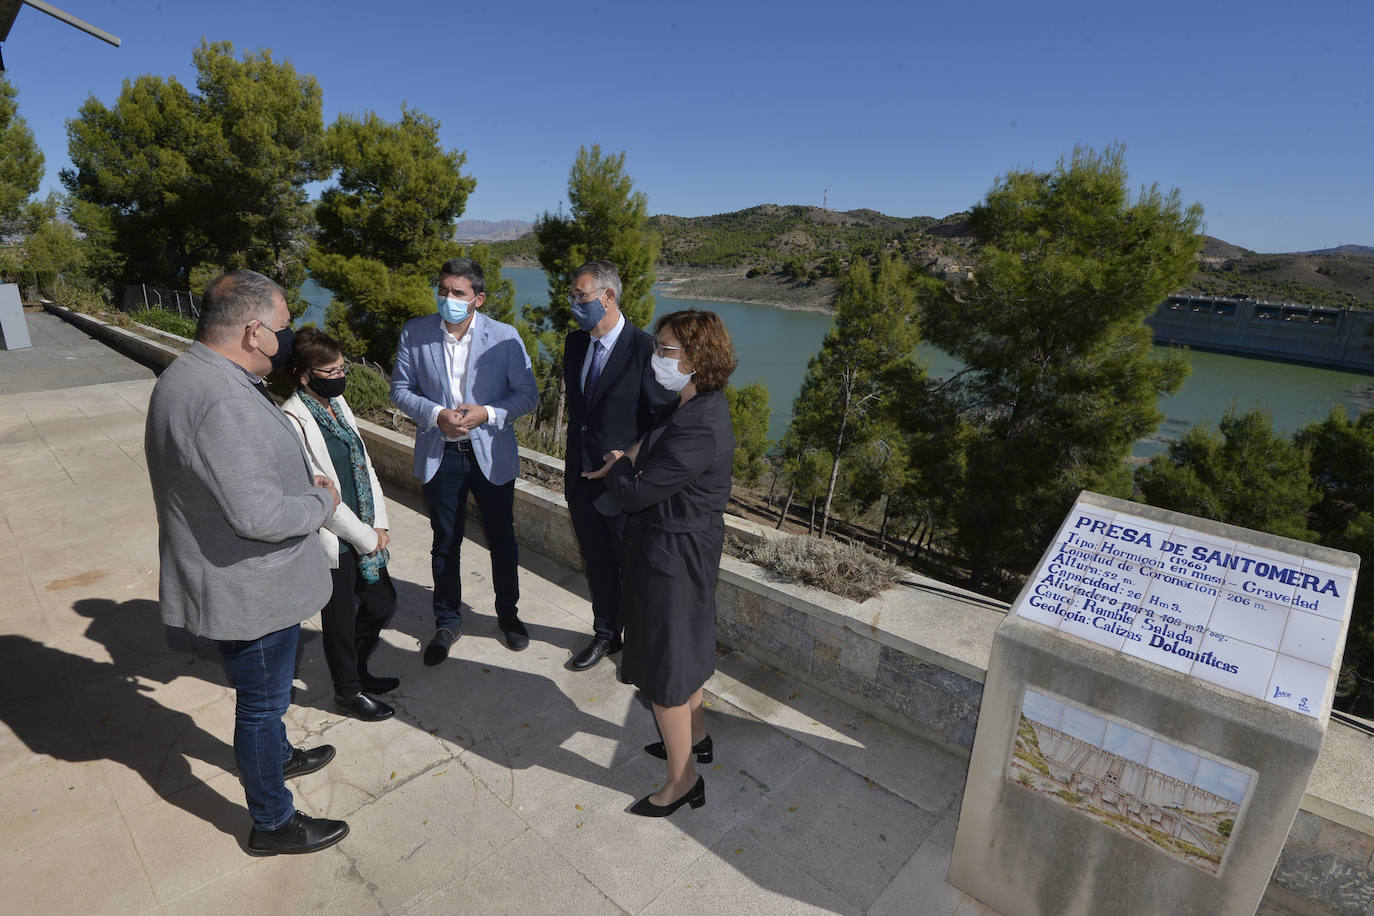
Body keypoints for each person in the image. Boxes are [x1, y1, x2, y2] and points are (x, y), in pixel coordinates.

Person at [144, 269, 349, 855]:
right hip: (248, 588)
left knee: (269, 695)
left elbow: (233, 481)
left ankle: (278, 757)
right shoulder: (218, 398)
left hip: (238, 576)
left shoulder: (193, 374)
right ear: (254, 331)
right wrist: (320, 499)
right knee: (261, 706)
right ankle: (273, 822)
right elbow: (256, 517)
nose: (287, 341)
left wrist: (290, 479)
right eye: (282, 330)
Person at [584, 309, 737, 817]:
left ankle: (682, 779)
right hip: (679, 549)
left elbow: (636, 494)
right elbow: (651, 440)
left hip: (672, 557)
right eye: (659, 346)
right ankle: (698, 739)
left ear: (698, 359)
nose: (658, 358)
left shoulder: (700, 424)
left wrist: (617, 470)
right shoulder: (694, 402)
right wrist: (628, 455)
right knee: (684, 652)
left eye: (667, 351)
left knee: (666, 676)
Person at [390, 257, 539, 663]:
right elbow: (400, 389)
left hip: (491, 454)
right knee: (445, 542)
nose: (448, 298)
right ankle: (446, 621)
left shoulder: (505, 337)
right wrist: (436, 415)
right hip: (441, 455)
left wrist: (486, 413)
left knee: (502, 541)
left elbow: (527, 394)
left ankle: (508, 616)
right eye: (443, 290)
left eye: (458, 293)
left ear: (478, 298)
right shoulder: (415, 332)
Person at [281, 328, 399, 722]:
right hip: (333, 537)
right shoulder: (291, 419)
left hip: (366, 527)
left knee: (383, 603)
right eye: (329, 371)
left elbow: (364, 467)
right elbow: (321, 495)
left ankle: (358, 670)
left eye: (341, 368)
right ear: (303, 374)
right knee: (339, 619)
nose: (339, 376)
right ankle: (347, 692)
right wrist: (367, 539)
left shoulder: (340, 404)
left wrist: (378, 525)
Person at [562, 260, 673, 672]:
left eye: (581, 295)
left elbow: (664, 419)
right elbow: (583, 414)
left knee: (634, 569)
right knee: (597, 563)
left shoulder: (645, 349)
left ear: (608, 297)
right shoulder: (575, 344)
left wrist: (628, 458)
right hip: (581, 478)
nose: (574, 303)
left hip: (624, 485)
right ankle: (606, 635)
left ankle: (643, 649)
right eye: (572, 295)